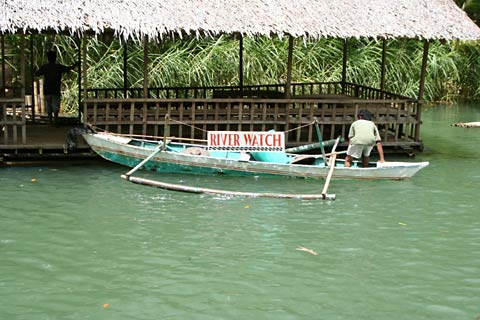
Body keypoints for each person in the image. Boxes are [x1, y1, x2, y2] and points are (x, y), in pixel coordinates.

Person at [36, 50, 78, 126]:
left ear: (48, 58)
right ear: (55, 58)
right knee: (55, 106)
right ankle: (55, 121)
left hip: (47, 89)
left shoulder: (45, 67)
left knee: (48, 106)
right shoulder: (58, 67)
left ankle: (50, 122)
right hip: (55, 89)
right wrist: (75, 64)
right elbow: (68, 69)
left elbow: (37, 74)